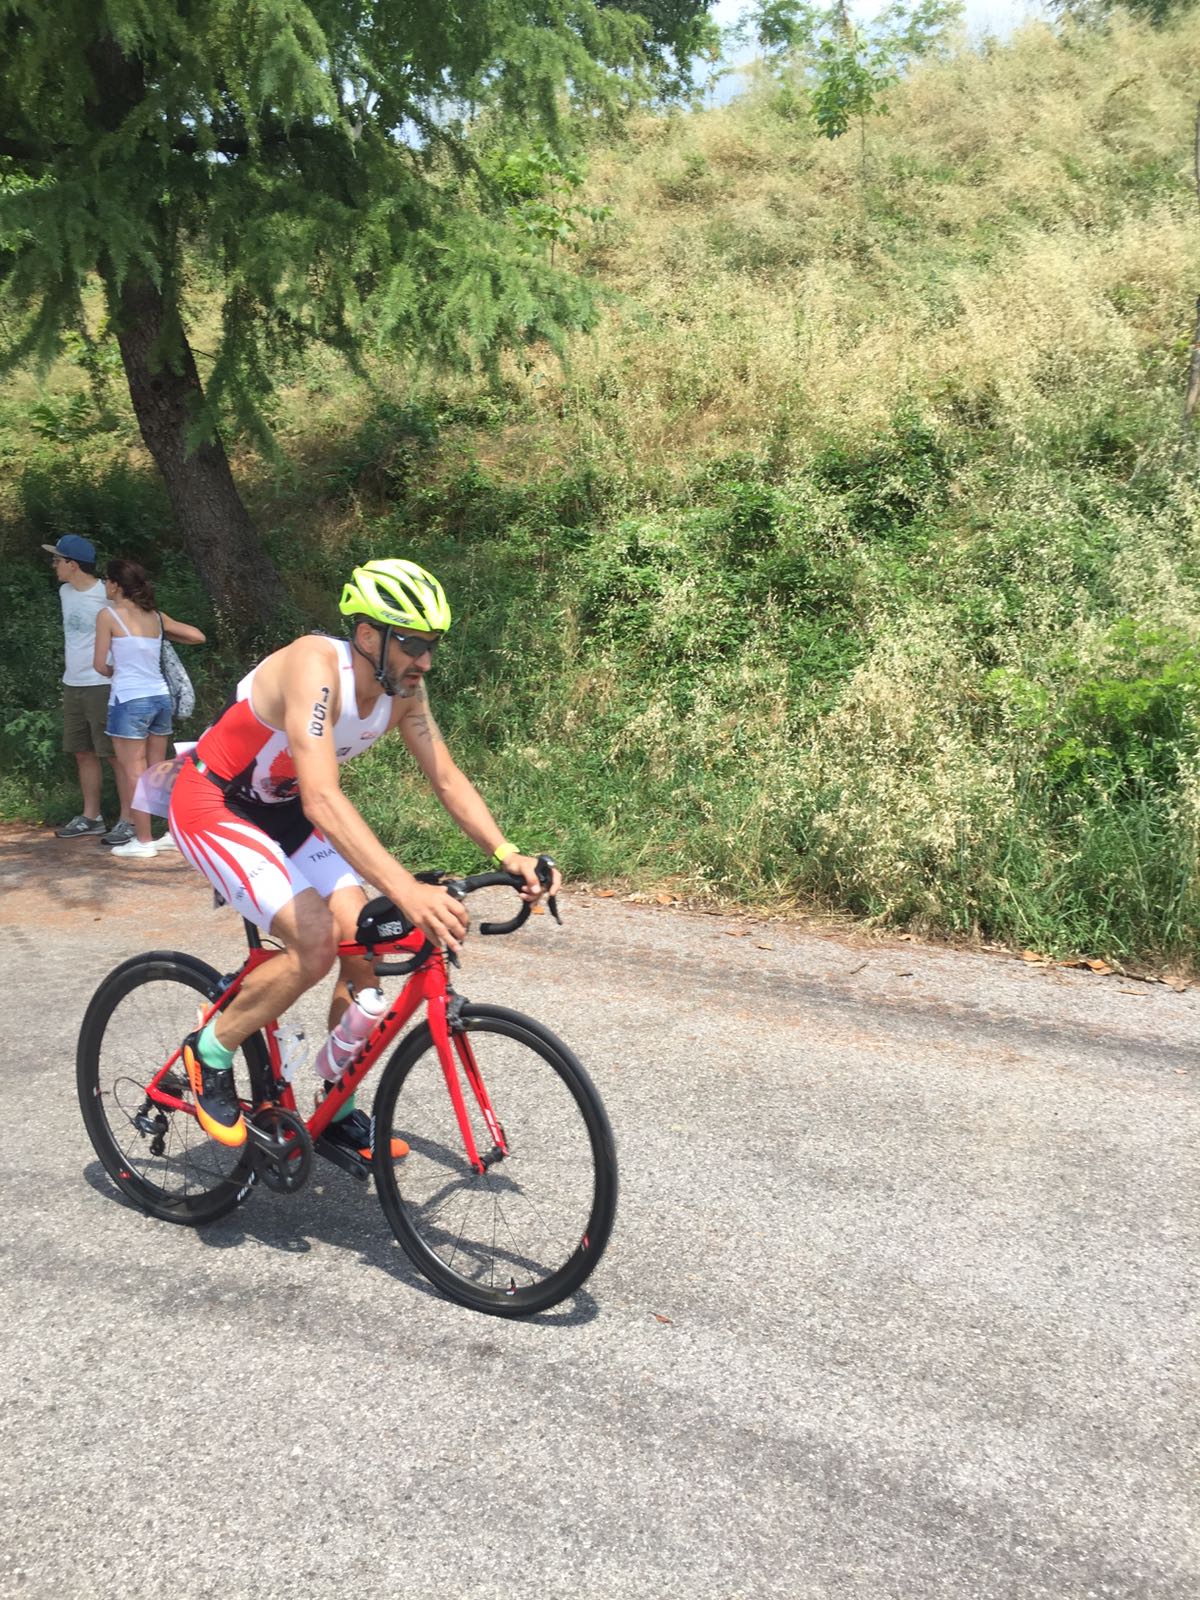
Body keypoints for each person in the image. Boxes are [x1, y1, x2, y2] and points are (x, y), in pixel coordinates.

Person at [168, 557, 560, 1159]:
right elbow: (324, 797)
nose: (424, 661)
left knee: (365, 942)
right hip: (214, 801)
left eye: (431, 647)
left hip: (285, 811)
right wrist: (407, 889)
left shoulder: (405, 691)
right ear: (369, 634)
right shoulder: (312, 665)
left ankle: (335, 1109)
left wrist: (509, 853)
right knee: (317, 942)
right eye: (413, 645)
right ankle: (210, 1050)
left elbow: (447, 778)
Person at [93, 558, 206, 858]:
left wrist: (114, 671)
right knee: (159, 771)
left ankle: (143, 841)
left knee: (135, 772)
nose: (105, 584)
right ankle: (171, 833)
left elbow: (99, 664)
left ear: (116, 585)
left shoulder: (108, 615)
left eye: (107, 580)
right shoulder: (155, 616)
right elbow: (198, 636)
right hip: (160, 698)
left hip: (129, 699)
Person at [44, 534, 116, 838]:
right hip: (72, 683)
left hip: (102, 682)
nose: (54, 565)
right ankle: (91, 816)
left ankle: (129, 819)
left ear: (73, 564)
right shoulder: (65, 592)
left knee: (113, 754)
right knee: (82, 752)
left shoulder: (107, 594)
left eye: (58, 560)